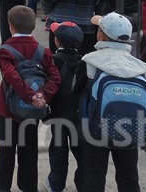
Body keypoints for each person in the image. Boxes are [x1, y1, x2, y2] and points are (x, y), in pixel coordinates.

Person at [80, 12, 146, 192]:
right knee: (129, 176)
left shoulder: (91, 61)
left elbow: (77, 91)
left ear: (102, 36)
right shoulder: (139, 67)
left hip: (96, 129)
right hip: (131, 129)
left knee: (94, 176)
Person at [0, 6, 61, 192]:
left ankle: (3, 184)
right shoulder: (43, 51)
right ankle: (28, 185)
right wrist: (42, 96)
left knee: (7, 146)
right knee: (29, 147)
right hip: (33, 109)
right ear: (33, 26)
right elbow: (55, 77)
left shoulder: (6, 50)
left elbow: (11, 76)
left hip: (8, 107)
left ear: (10, 26)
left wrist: (28, 95)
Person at [44, 22, 86, 192]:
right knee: (82, 152)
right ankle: (83, 184)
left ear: (57, 41)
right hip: (79, 114)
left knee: (58, 150)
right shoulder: (85, 62)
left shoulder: (52, 61)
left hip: (58, 113)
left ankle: (55, 183)